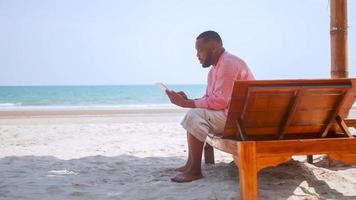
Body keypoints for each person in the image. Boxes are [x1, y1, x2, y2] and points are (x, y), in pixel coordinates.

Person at [166, 30, 255, 183]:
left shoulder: (228, 63)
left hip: (242, 121)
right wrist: (189, 100)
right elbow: (210, 99)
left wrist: (187, 104)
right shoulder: (214, 70)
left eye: (200, 50)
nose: (197, 55)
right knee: (195, 112)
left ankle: (194, 170)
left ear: (213, 47)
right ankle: (190, 165)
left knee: (195, 115)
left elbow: (220, 102)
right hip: (234, 116)